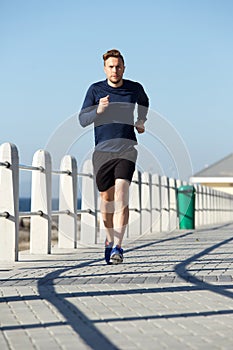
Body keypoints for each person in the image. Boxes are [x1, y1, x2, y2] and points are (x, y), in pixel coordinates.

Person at [79, 49, 149, 265]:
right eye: (111, 66)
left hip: (127, 149)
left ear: (124, 68)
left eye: (118, 66)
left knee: (121, 194)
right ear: (105, 69)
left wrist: (141, 121)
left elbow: (144, 103)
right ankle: (109, 242)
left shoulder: (134, 88)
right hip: (102, 152)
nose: (115, 70)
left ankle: (118, 246)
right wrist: (98, 111)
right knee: (106, 200)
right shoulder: (95, 90)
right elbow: (82, 119)